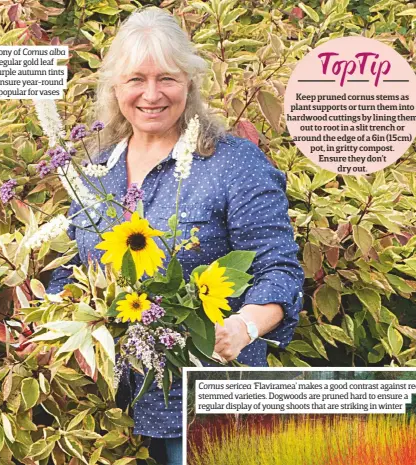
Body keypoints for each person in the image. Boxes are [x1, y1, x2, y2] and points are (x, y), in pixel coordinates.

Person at [46, 7, 304, 465]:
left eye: (166, 78)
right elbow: (69, 266)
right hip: (107, 410)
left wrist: (243, 327)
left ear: (190, 82)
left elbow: (278, 268)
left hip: (207, 405)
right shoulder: (95, 168)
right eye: (135, 80)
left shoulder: (233, 163)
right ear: (114, 87)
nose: (151, 94)